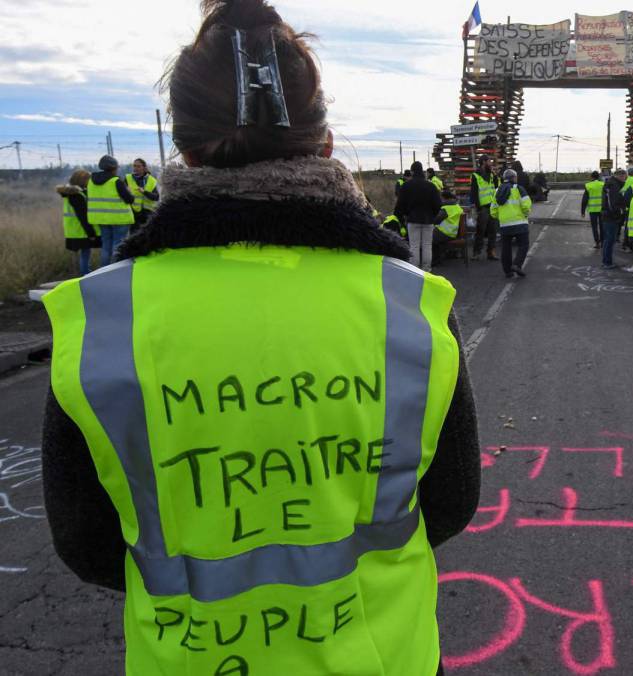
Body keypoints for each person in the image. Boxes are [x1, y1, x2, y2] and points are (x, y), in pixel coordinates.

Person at [39, 2, 479, 674]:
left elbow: (85, 542)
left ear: (180, 148)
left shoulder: (103, 315)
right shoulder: (409, 303)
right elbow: (449, 503)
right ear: (325, 143)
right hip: (383, 654)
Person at [87, 154, 137, 267]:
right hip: (120, 219)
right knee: (118, 246)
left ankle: (104, 271)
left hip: (101, 219)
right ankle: (116, 271)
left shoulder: (91, 181)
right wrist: (129, 191)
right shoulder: (116, 181)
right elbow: (129, 199)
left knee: (106, 247)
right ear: (114, 168)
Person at [394, 161, 442, 271]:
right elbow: (438, 204)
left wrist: (404, 215)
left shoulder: (406, 186)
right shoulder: (431, 186)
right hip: (428, 220)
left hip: (412, 220)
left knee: (414, 246)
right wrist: (432, 215)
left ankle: (415, 270)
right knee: (427, 245)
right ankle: (427, 269)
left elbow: (400, 205)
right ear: (423, 171)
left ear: (412, 172)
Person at [56, 169, 101, 275]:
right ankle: (85, 274)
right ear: (82, 180)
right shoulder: (77, 196)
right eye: (88, 180)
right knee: (85, 253)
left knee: (82, 254)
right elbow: (83, 216)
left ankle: (82, 273)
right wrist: (91, 233)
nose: (89, 182)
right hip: (81, 230)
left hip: (73, 230)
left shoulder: (71, 194)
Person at [492, 168, 532, 278]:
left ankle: (508, 271)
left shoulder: (497, 191)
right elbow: (526, 205)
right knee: (523, 244)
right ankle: (517, 264)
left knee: (506, 247)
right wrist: (525, 214)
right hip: (520, 223)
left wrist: (500, 218)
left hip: (505, 224)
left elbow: (493, 210)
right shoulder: (519, 189)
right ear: (513, 178)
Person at [471, 157, 500, 260]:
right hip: (483, 208)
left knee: (493, 230)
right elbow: (474, 192)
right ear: (483, 162)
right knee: (480, 231)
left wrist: (495, 174)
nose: (490, 163)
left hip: (492, 206)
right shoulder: (476, 175)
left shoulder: (491, 174)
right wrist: (478, 207)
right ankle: (476, 252)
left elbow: (496, 186)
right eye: (489, 161)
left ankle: (491, 252)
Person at [600, 168, 629, 270]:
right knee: (610, 240)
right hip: (611, 217)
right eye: (625, 177)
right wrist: (621, 211)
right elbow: (613, 204)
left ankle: (606, 261)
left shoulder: (611, 184)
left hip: (607, 216)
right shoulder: (614, 186)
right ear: (620, 176)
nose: (625, 179)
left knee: (608, 240)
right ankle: (607, 262)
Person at [431, 190, 464, 267]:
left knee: (428, 238)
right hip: (453, 232)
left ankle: (435, 261)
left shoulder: (446, 208)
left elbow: (436, 220)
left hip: (445, 233)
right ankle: (443, 256)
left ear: (443, 198)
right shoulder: (457, 206)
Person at [125, 158, 160, 231]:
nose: (136, 168)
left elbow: (156, 197)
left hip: (148, 213)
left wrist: (144, 192)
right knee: (133, 237)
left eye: (138, 166)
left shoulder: (152, 180)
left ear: (144, 168)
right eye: (134, 166)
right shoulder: (127, 178)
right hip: (133, 213)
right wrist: (126, 191)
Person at [581, 171, 605, 249]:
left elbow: (585, 199)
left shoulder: (588, 185)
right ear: (599, 177)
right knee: (602, 226)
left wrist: (583, 211)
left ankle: (597, 243)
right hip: (602, 209)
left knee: (594, 227)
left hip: (592, 209)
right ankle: (603, 242)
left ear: (591, 177)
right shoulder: (603, 184)